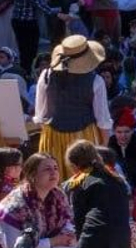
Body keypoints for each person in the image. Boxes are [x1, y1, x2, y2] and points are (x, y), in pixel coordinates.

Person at [35, 35, 112, 174]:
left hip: (52, 135)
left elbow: (40, 115)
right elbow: (103, 120)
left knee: (52, 179)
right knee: (84, 181)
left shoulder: (46, 75)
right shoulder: (96, 81)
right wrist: (103, 147)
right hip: (83, 137)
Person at [65, 140, 131, 248]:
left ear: (74, 165)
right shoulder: (116, 179)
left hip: (94, 239)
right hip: (121, 236)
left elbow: (79, 220)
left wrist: (79, 245)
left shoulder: (81, 183)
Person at [0, 152, 74, 248]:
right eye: (47, 169)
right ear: (32, 175)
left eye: (55, 168)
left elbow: (67, 223)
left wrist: (69, 237)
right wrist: (53, 241)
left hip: (40, 246)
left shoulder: (57, 195)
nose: (53, 172)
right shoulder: (15, 206)